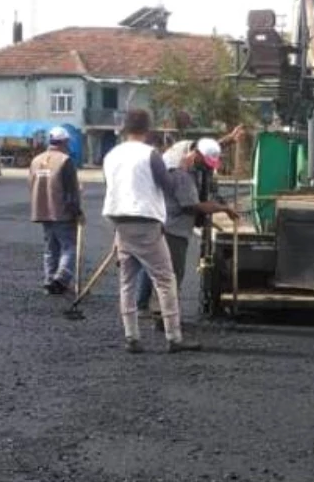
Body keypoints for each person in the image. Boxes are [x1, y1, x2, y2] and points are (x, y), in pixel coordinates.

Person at [102, 109, 200, 353]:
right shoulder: (150, 155)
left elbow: (111, 185)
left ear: (124, 128)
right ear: (147, 129)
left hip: (119, 221)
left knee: (127, 281)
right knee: (165, 279)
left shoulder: (111, 155)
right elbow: (167, 185)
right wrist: (183, 170)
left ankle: (132, 337)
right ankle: (174, 337)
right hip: (145, 221)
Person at [136, 136, 239, 323]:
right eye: (206, 162)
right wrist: (223, 208)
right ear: (196, 154)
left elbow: (209, 147)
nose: (207, 167)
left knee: (158, 268)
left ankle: (153, 309)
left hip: (163, 223)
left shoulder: (187, 150)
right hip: (172, 227)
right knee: (171, 274)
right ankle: (164, 317)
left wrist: (229, 139)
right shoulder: (181, 173)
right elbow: (192, 205)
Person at [29, 126, 84, 295]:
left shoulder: (36, 160)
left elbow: (31, 184)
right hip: (62, 212)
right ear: (65, 142)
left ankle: (49, 280)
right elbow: (71, 191)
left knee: (50, 248)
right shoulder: (65, 161)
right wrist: (77, 211)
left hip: (42, 210)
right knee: (69, 247)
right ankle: (61, 279)